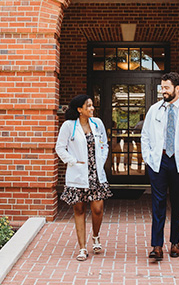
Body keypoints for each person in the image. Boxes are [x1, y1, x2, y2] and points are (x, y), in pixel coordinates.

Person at [141, 72, 179, 261]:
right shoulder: (154, 110)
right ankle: (157, 246)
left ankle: (175, 243)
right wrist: (148, 158)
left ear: (177, 88)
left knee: (177, 204)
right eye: (162, 87)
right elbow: (145, 135)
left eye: (166, 87)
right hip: (158, 162)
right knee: (157, 204)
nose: (163, 91)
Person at [55, 94, 112, 261]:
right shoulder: (68, 126)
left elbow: (105, 144)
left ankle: (95, 236)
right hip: (78, 174)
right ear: (79, 109)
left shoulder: (97, 123)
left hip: (96, 175)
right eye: (88, 106)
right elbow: (60, 148)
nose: (92, 108)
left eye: (92, 105)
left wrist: (101, 161)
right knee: (79, 210)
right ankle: (82, 248)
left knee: (97, 209)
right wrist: (72, 161)